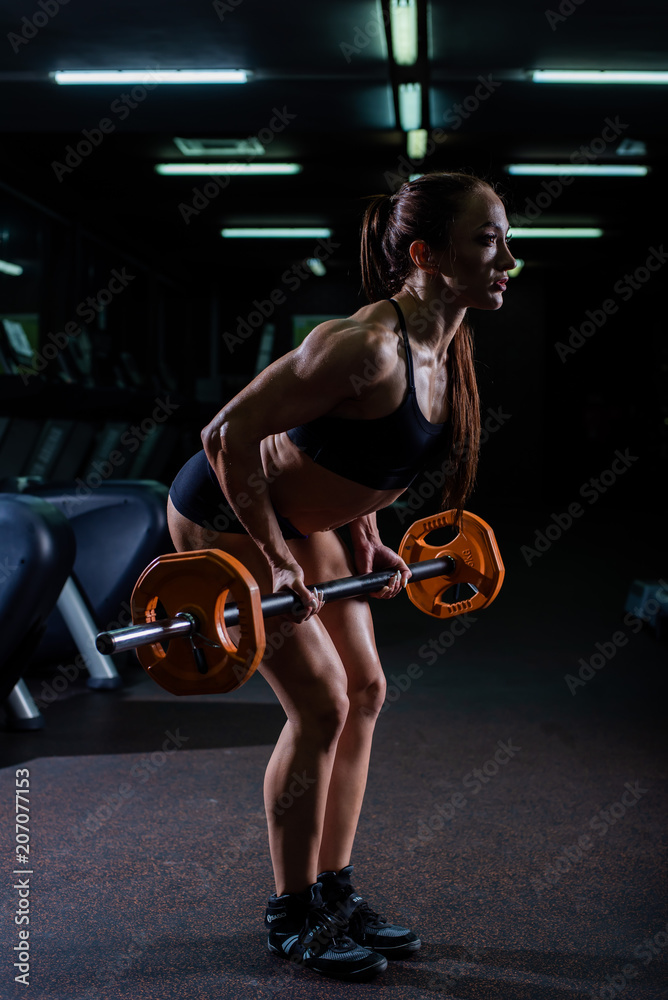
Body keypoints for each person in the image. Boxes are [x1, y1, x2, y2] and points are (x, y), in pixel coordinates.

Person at [167, 170, 516, 981]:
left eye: (506, 240)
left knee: (366, 690)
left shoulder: (447, 343)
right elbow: (230, 437)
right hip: (228, 512)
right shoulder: (362, 345)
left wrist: (368, 535)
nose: (508, 259)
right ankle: (291, 913)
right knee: (320, 702)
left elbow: (346, 452)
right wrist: (279, 560)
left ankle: (333, 889)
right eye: (488, 240)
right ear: (426, 254)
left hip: (306, 520)